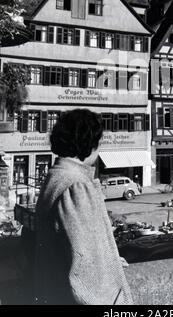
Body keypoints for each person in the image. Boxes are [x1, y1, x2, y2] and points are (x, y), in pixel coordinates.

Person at [34, 109, 133, 305]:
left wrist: (110, 258)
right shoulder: (76, 185)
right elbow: (86, 263)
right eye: (99, 141)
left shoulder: (57, 176)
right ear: (89, 142)